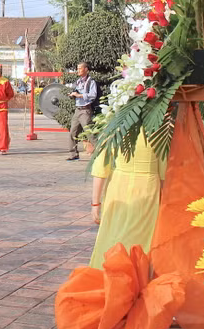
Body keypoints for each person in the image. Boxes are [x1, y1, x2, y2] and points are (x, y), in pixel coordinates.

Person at [89, 133, 167, 268]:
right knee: (143, 237)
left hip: (119, 186)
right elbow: (164, 173)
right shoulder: (158, 130)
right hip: (147, 188)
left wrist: (95, 203)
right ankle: (138, 277)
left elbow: (101, 169)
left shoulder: (117, 128)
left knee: (113, 233)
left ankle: (112, 273)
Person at [67, 62, 98, 161]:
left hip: (85, 110)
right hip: (78, 110)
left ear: (86, 69)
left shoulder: (91, 82)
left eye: (80, 68)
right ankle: (73, 154)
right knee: (72, 133)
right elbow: (75, 92)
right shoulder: (78, 82)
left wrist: (79, 95)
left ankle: (101, 152)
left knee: (90, 133)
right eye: (77, 68)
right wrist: (72, 95)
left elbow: (93, 95)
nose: (78, 70)